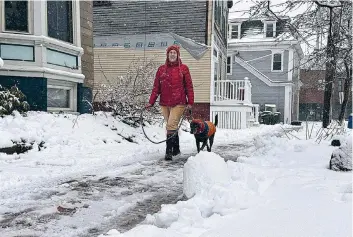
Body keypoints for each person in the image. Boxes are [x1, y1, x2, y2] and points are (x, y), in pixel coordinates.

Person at [145, 45, 194, 160]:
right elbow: (156, 88)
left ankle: (169, 152)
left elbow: (189, 87)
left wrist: (190, 102)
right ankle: (176, 150)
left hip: (179, 102)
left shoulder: (184, 69)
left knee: (171, 125)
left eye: (174, 53)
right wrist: (151, 102)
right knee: (172, 126)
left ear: (178, 55)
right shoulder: (161, 69)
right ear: (167, 55)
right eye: (170, 52)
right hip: (164, 103)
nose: (172, 54)